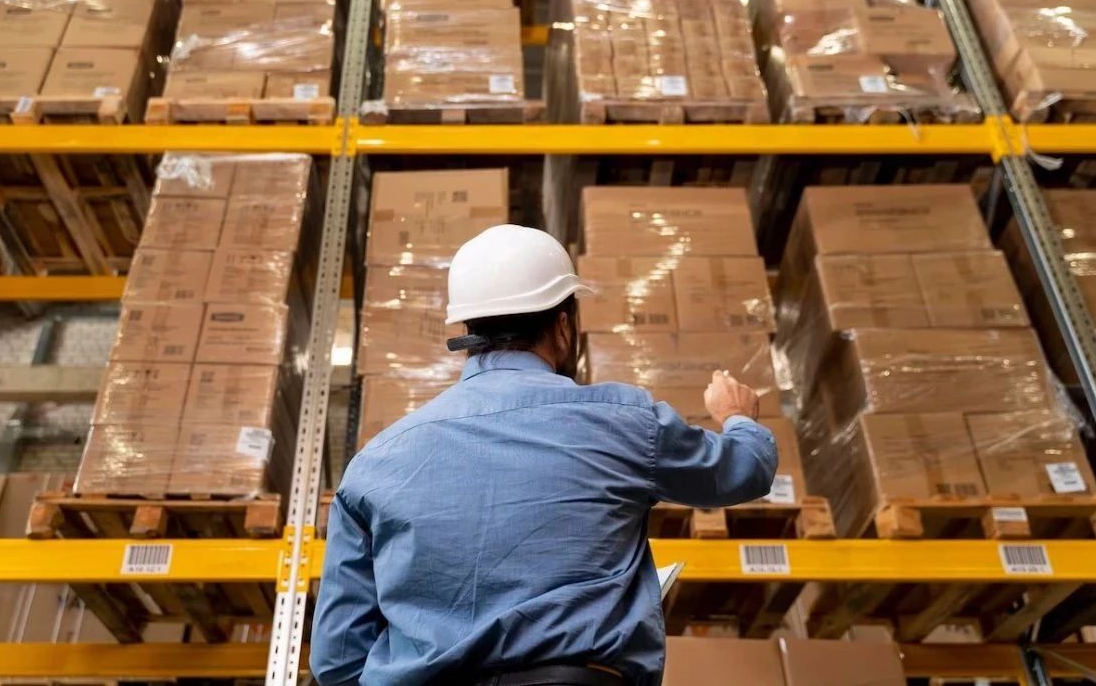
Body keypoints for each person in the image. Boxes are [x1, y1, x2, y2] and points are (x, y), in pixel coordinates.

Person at [312, 224, 778, 686]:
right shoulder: (622, 421)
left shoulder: (373, 466)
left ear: (467, 329)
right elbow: (744, 470)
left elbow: (338, 661)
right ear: (563, 326)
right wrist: (738, 417)